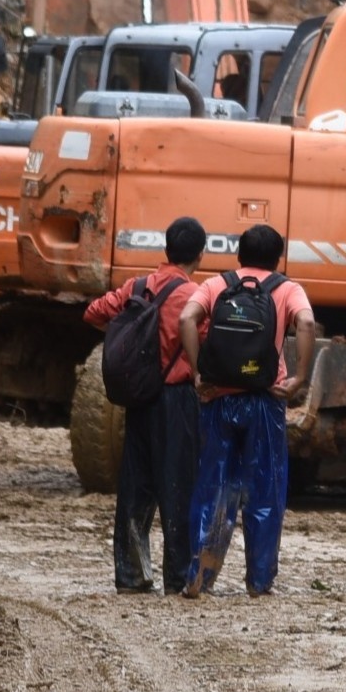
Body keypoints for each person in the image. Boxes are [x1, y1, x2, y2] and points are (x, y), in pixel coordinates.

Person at [176, 223, 314, 597]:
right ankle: (258, 581)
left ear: (239, 255)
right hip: (265, 400)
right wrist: (299, 376)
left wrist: (198, 372)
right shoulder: (287, 288)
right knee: (265, 491)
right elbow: (306, 322)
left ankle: (199, 576)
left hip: (218, 397)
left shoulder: (217, 285)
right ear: (278, 257)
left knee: (211, 486)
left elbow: (187, 318)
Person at [81, 216, 205, 594]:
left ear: (166, 250)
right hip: (177, 400)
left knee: (136, 485)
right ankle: (179, 577)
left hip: (140, 397)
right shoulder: (193, 297)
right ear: (199, 255)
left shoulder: (137, 287)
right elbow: (206, 341)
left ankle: (132, 576)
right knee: (177, 486)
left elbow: (94, 313)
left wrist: (132, 334)